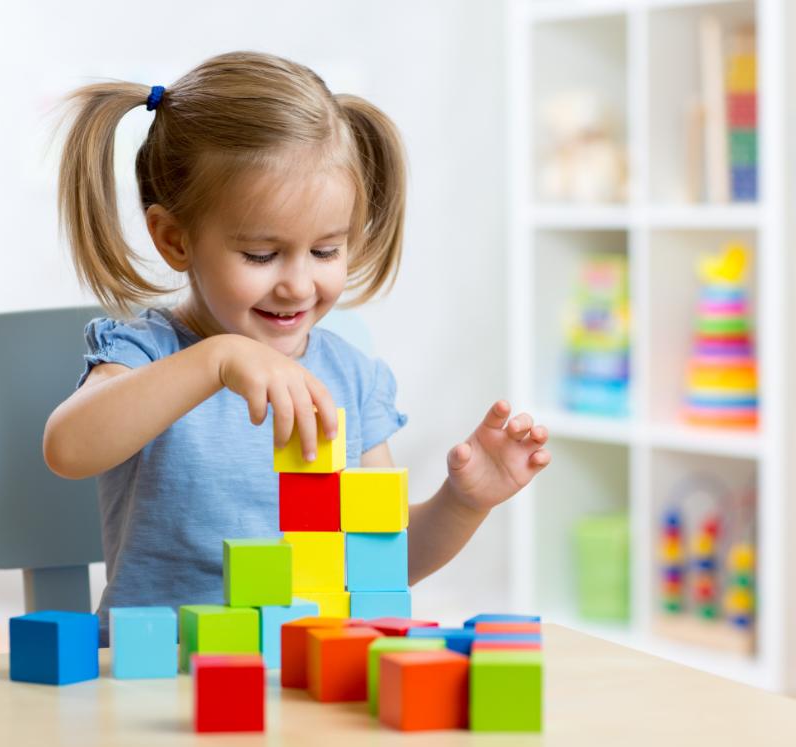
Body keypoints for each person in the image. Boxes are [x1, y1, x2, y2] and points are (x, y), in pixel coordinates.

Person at [43, 51, 551, 645]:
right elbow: (68, 448)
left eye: (326, 251)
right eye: (261, 255)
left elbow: (377, 566)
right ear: (175, 239)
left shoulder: (352, 378)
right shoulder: (146, 353)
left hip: (306, 677)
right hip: (162, 676)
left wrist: (463, 503)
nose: (298, 284)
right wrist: (215, 360)